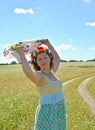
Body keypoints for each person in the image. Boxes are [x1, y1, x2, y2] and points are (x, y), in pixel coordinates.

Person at [16, 39, 66, 130]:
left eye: (45, 57)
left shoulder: (52, 72)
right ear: (37, 62)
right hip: (47, 113)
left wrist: (48, 44)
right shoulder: (40, 77)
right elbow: (29, 74)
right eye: (39, 59)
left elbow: (57, 58)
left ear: (50, 58)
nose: (43, 60)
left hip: (59, 109)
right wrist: (21, 54)